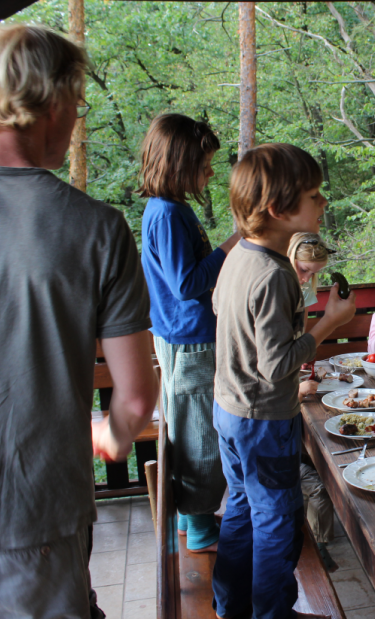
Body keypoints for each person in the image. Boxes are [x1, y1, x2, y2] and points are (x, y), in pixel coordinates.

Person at [0, 24, 157, 617]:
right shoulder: (96, 228)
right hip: (37, 525)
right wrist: (112, 435)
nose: (76, 120)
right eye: (77, 104)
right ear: (51, 102)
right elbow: (134, 397)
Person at [213, 143, 356, 619]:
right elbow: (276, 367)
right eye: (314, 195)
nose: (322, 203)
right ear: (279, 209)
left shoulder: (238, 257)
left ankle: (230, 607)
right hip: (262, 418)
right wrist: (329, 322)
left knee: (239, 511)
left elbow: (225, 313)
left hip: (228, 409)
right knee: (278, 522)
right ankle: (271, 613)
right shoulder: (276, 276)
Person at [138, 114, 240, 553]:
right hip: (190, 340)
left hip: (187, 337)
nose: (211, 172)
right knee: (200, 435)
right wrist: (232, 244)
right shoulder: (166, 213)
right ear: (180, 163)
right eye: (205, 164)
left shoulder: (171, 209)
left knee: (191, 427)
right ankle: (199, 525)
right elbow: (187, 283)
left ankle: (190, 517)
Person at [286, 232, 337, 570]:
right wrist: (298, 390)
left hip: (288, 412)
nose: (307, 278)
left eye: (313, 273)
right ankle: (319, 550)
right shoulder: (276, 289)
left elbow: (294, 349)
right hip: (273, 423)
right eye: (303, 270)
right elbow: (271, 367)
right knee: (321, 481)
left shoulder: (299, 294)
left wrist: (303, 373)